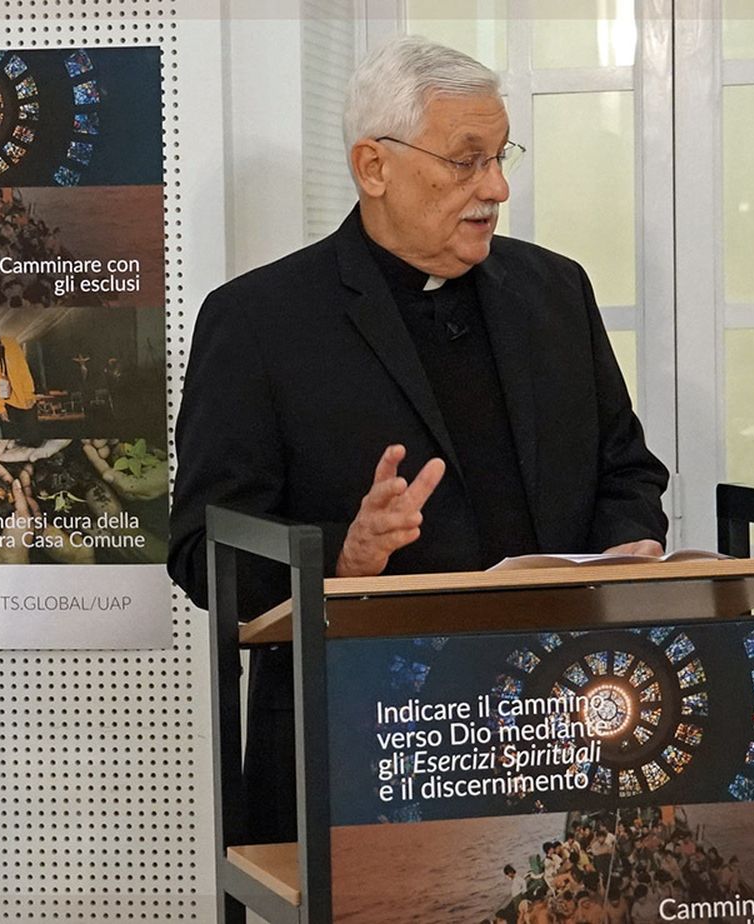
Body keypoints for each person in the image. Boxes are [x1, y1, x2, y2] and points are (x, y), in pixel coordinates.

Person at [167, 35, 669, 846]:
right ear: (374, 167)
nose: (497, 187)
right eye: (467, 161)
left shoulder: (555, 290)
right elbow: (203, 551)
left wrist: (630, 548)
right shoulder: (260, 322)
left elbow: (626, 470)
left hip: (568, 720)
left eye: (500, 157)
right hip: (369, 742)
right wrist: (344, 555)